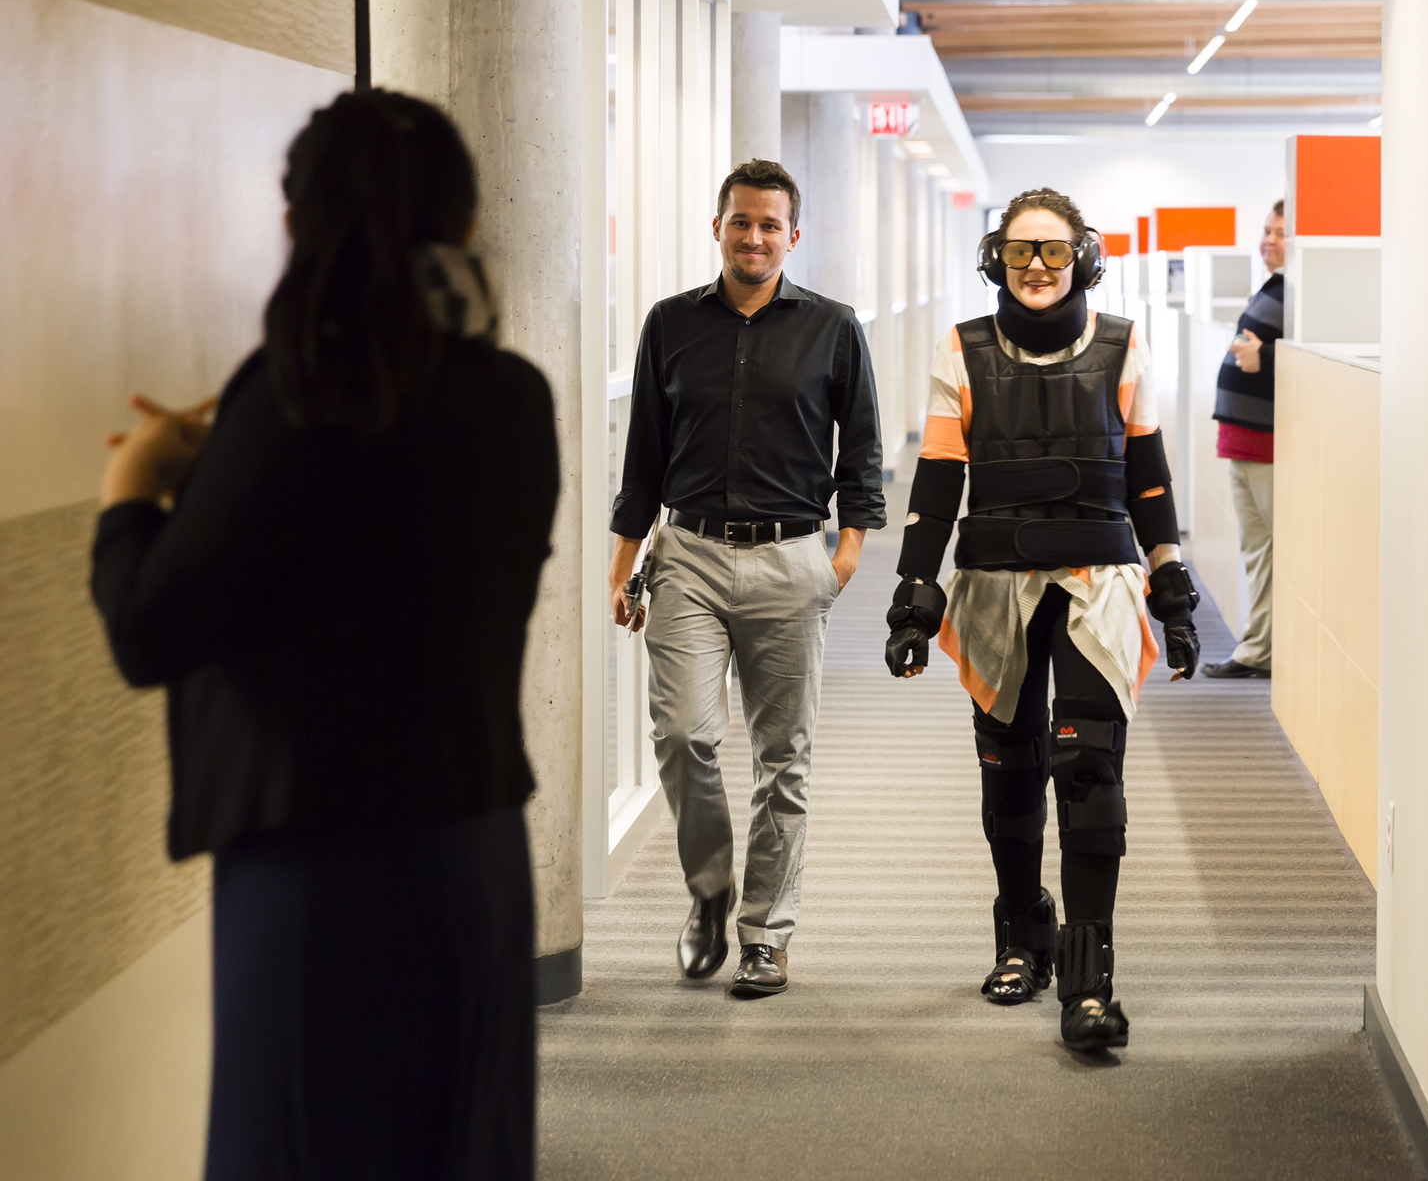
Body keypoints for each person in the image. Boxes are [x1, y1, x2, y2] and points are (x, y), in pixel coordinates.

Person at [90, 90, 556, 1181]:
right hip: (474, 848)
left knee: (303, 1143)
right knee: (460, 1140)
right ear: (469, 226)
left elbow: (152, 629)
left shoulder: (298, 398)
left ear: (297, 226)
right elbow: (389, 542)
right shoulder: (513, 397)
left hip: (318, 867)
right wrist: (233, 460)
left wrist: (131, 491)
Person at [883, 187, 1200, 1053]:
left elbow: (1150, 483)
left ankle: (1090, 979)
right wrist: (915, 593)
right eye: (1020, 250)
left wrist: (1172, 591)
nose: (1035, 266)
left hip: (1098, 579)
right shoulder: (963, 349)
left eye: (1054, 252)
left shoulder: (1124, 348)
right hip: (994, 582)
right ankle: (1022, 934)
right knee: (1011, 771)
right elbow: (939, 482)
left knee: (1089, 769)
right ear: (995, 258)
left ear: (1083, 260)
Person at [607, 158, 885, 997]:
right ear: (718, 228)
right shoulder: (670, 324)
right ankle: (707, 890)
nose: (754, 237)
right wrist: (624, 567)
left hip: (792, 559)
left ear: (792, 236)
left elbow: (864, 451)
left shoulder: (833, 328)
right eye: (741, 222)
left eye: (771, 225)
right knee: (685, 736)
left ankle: (766, 932)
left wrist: (843, 558)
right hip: (686, 554)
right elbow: (643, 458)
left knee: (782, 757)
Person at [1202, 199, 1287, 679]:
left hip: (1268, 447)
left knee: (1273, 552)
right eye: (1267, 230)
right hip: (1244, 442)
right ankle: (1259, 647)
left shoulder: (1305, 291)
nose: (1268, 240)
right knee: (1260, 553)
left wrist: (1268, 359)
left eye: (1280, 233)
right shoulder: (1275, 287)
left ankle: (1263, 649)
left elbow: (1310, 354)